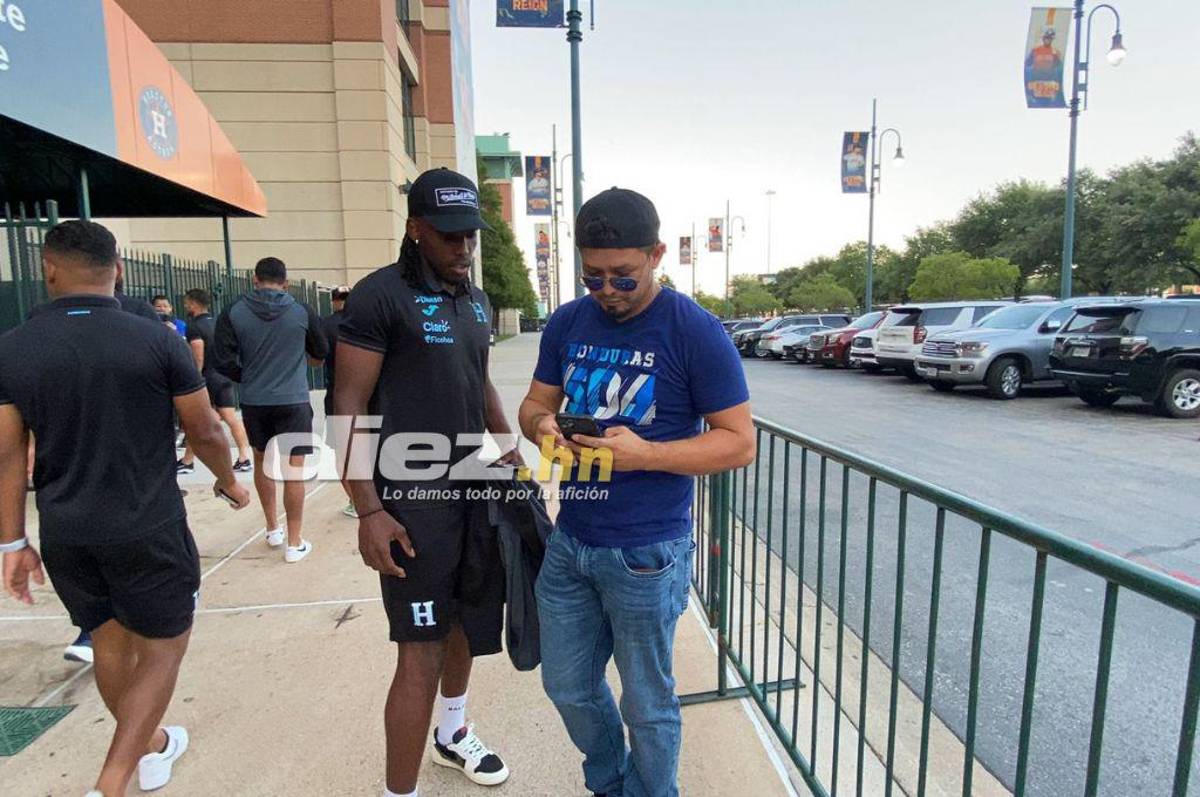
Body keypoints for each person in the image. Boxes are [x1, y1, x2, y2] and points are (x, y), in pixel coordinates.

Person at [517, 188, 756, 797]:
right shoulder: (570, 321)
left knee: (647, 703)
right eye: (592, 276)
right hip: (571, 540)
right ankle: (610, 783)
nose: (606, 291)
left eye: (623, 278)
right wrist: (544, 427)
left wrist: (646, 454)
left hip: (647, 553)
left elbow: (738, 442)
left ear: (654, 255)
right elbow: (534, 406)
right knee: (567, 686)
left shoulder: (694, 330)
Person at [0, 220, 251, 797]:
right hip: (148, 524)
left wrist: (13, 542)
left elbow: (8, 454)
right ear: (116, 268)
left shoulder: (12, 348)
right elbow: (206, 428)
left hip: (67, 530)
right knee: (165, 648)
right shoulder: (157, 338)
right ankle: (112, 781)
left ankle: (153, 746)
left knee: (108, 640)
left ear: (49, 268)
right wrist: (227, 481)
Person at [335, 167, 519, 796]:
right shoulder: (378, 297)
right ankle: (399, 791)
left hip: (474, 494)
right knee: (419, 650)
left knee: (466, 627)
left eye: (470, 233)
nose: (463, 246)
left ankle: (453, 732)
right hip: (412, 506)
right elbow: (348, 410)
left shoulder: (474, 298)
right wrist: (367, 510)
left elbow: (481, 379)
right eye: (448, 235)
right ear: (415, 230)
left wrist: (507, 448)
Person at [213, 257, 328, 563]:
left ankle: (272, 528)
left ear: (255, 279)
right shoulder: (300, 310)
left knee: (263, 460)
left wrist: (248, 376)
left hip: (255, 400)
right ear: (285, 282)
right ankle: (294, 541)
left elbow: (222, 359)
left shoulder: (234, 311)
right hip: (293, 399)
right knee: (294, 469)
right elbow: (321, 352)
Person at [175, 289, 253, 475]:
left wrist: (195, 375)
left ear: (194, 304)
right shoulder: (219, 323)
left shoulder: (194, 326)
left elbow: (198, 352)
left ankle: (188, 461)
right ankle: (244, 457)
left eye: (187, 302)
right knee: (231, 418)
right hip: (224, 376)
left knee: (196, 421)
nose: (185, 306)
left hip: (207, 378)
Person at [320, 285, 357, 518]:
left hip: (337, 397)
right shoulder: (365, 322)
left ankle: (355, 502)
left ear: (333, 301)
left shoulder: (325, 326)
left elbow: (316, 357)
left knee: (342, 454)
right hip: (368, 395)